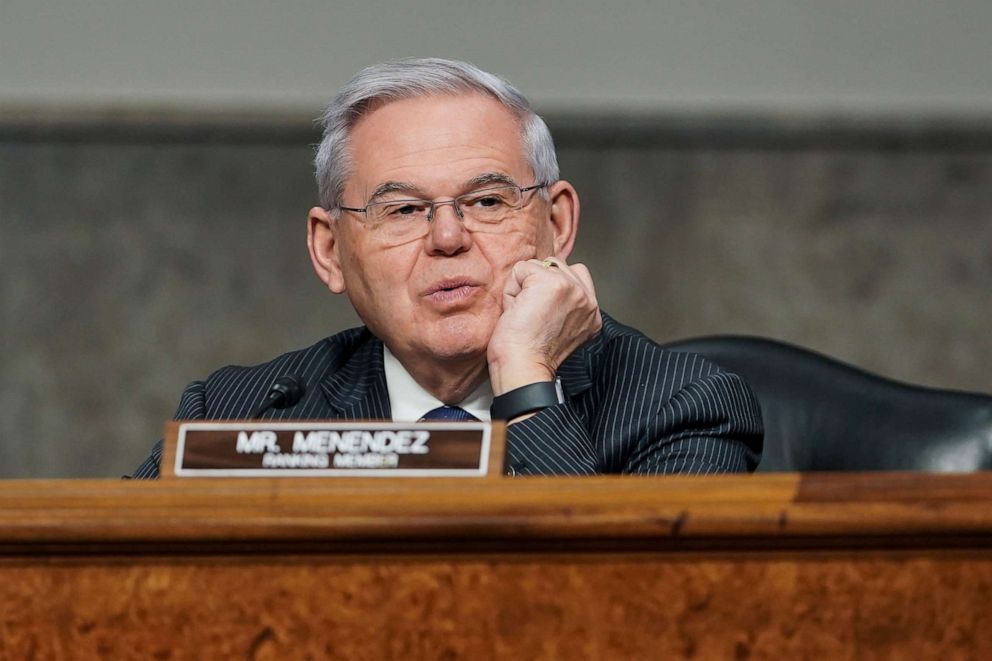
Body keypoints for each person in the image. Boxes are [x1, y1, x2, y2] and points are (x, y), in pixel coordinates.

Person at [132, 57, 762, 478]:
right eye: (403, 210)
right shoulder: (240, 412)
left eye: (487, 201)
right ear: (330, 251)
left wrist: (525, 381)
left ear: (559, 224)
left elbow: (633, 614)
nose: (447, 237)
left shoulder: (683, 407)